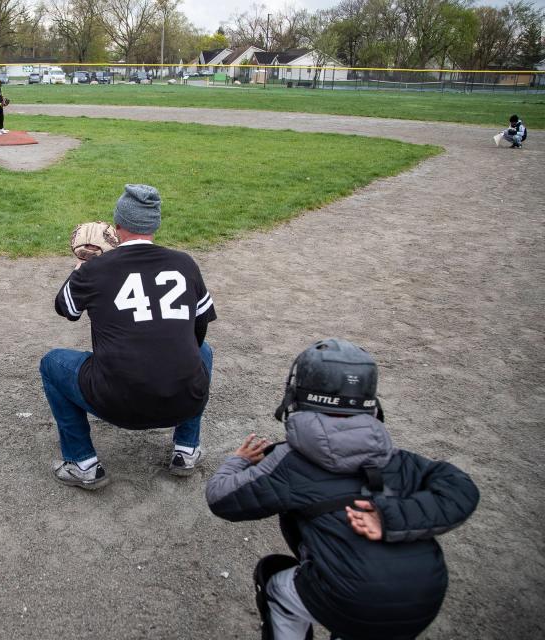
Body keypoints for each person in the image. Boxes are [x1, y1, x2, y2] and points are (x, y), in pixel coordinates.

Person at [205, 338, 480, 640]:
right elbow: (461, 488)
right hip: (425, 597)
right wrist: (395, 516)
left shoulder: (289, 462)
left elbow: (220, 497)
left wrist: (237, 461)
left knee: (274, 582)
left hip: (353, 600)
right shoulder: (396, 458)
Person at [40, 184, 217, 489]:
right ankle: (186, 450)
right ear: (155, 225)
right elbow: (200, 329)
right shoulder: (184, 263)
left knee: (52, 363)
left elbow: (66, 309)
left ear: (117, 224)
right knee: (204, 352)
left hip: (116, 403)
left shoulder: (95, 270)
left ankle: (83, 463)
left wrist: (81, 267)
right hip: (185, 400)